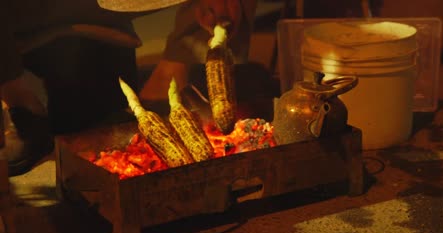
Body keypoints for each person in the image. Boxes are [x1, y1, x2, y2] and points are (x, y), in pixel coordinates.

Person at [0, 0, 257, 176]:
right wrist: (12, 85)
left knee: (100, 133)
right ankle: (20, 101)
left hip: (102, 20)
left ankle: (175, 69)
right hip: (21, 15)